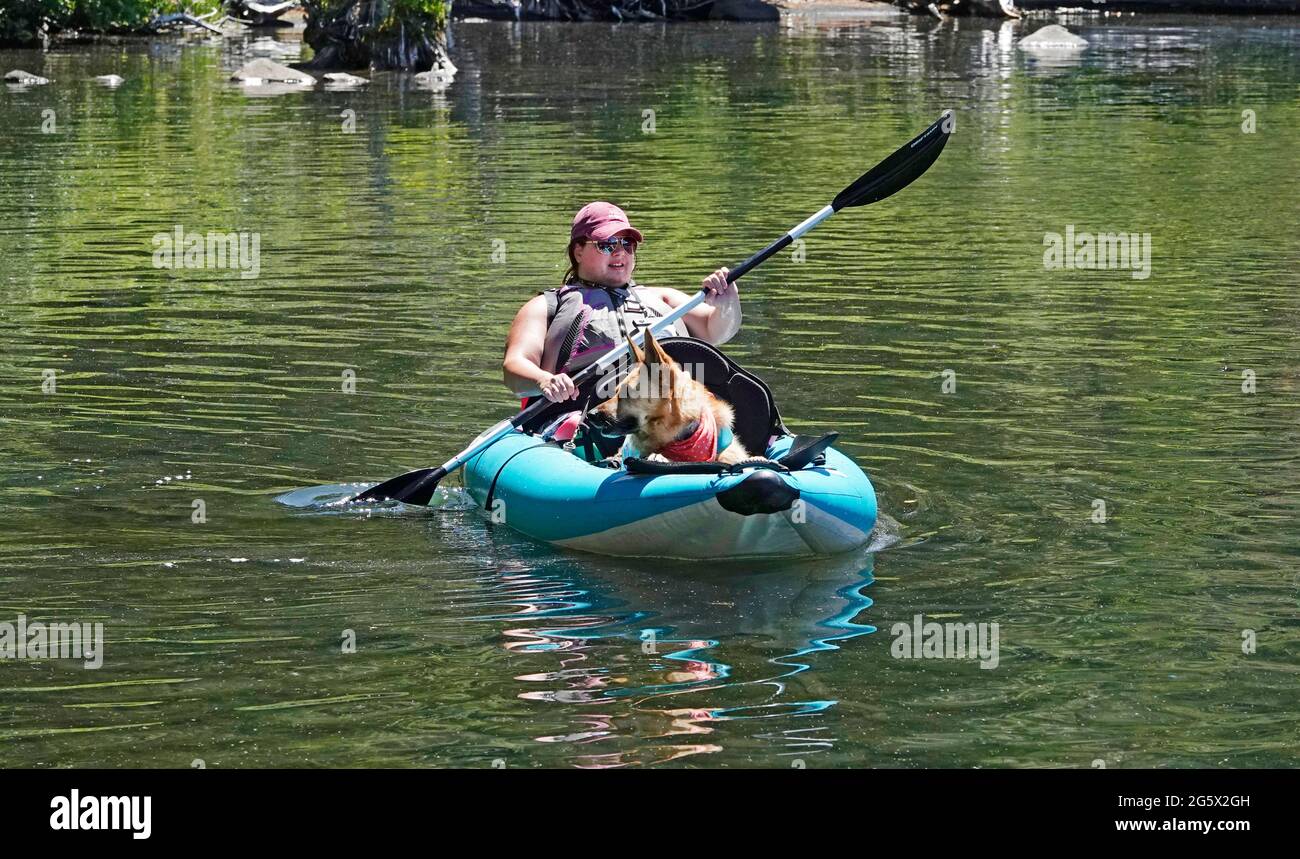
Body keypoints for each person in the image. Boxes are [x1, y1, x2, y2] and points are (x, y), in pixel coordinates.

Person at [502, 202, 742, 456]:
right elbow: (514, 368)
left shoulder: (665, 298)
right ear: (579, 251)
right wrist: (544, 380)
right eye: (607, 245)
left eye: (627, 244)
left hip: (675, 424)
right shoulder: (545, 306)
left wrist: (727, 301)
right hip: (586, 424)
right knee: (577, 429)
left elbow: (717, 331)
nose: (620, 253)